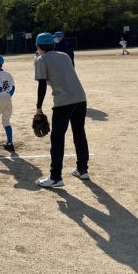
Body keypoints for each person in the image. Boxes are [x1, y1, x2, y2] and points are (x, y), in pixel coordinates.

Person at [34, 32, 90, 188]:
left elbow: (42, 85)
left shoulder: (41, 60)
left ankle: (55, 177)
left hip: (63, 102)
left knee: (57, 138)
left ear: (38, 46)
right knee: (79, 133)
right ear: (53, 44)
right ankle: (82, 169)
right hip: (80, 98)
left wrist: (38, 107)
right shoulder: (64, 56)